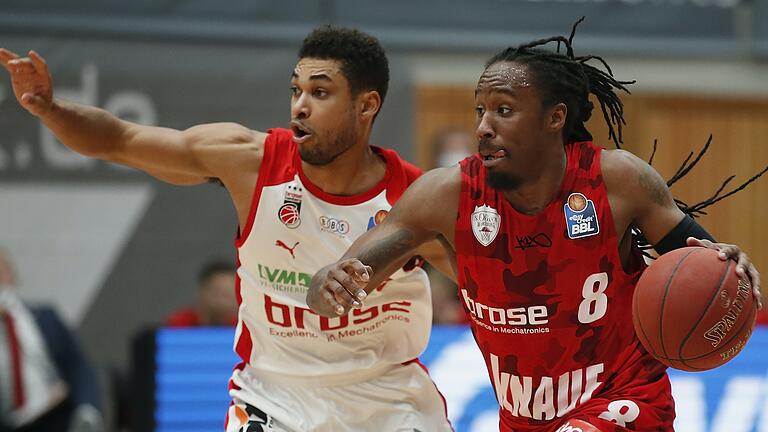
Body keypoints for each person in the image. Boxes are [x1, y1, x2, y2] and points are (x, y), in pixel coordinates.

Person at [308, 24, 763, 432]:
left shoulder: (617, 180)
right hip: (524, 420)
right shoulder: (445, 195)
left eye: (504, 110)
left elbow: (710, 261)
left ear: (555, 117)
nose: (484, 127)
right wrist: (329, 282)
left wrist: (729, 266)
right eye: (480, 111)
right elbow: (340, 282)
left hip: (624, 403)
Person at [0, 25, 454, 432]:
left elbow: (493, 293)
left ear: (367, 105)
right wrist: (50, 109)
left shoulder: (416, 198)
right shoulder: (250, 161)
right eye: (296, 89)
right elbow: (121, 140)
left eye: (320, 92)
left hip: (390, 401)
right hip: (277, 399)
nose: (300, 105)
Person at [0, 250, 103, 432]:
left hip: (53, 415)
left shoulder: (46, 317)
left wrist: (88, 408)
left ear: (11, 275)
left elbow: (78, 366)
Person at [165, 260, 238, 327]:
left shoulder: (240, 327)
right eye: (219, 293)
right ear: (203, 292)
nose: (224, 302)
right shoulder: (177, 325)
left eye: (230, 295)